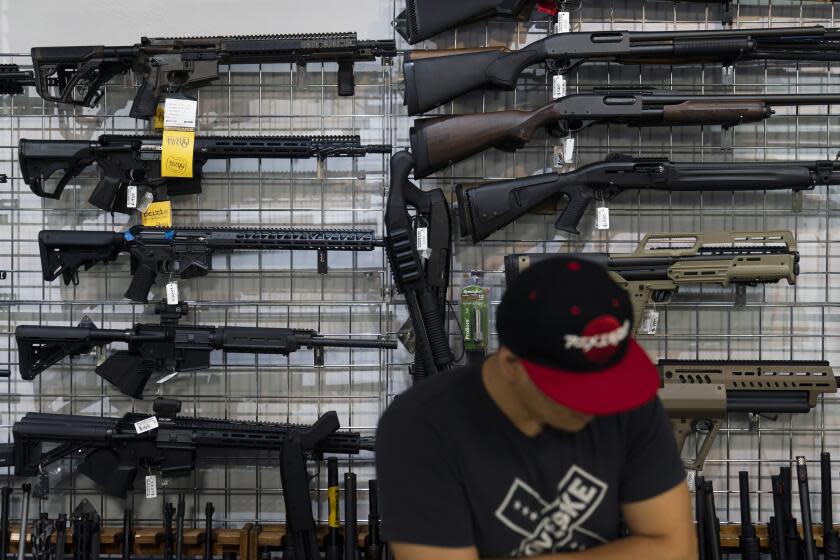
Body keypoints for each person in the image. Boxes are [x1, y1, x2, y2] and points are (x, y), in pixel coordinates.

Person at [375, 256, 696, 559]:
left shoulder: (624, 397)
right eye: (575, 390)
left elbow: (676, 550)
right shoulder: (421, 426)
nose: (600, 402)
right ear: (512, 364)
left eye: (607, 381)